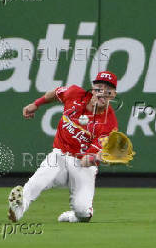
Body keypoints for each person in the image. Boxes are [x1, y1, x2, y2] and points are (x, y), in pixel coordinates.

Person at [8, 71, 119, 223]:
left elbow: (87, 159)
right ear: (93, 90)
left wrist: (97, 157)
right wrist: (36, 104)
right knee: (38, 181)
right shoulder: (74, 93)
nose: (103, 93)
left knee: (82, 211)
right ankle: (18, 208)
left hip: (82, 164)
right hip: (60, 155)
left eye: (108, 90)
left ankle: (77, 215)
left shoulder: (109, 123)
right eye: (99, 88)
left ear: (113, 95)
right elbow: (55, 93)